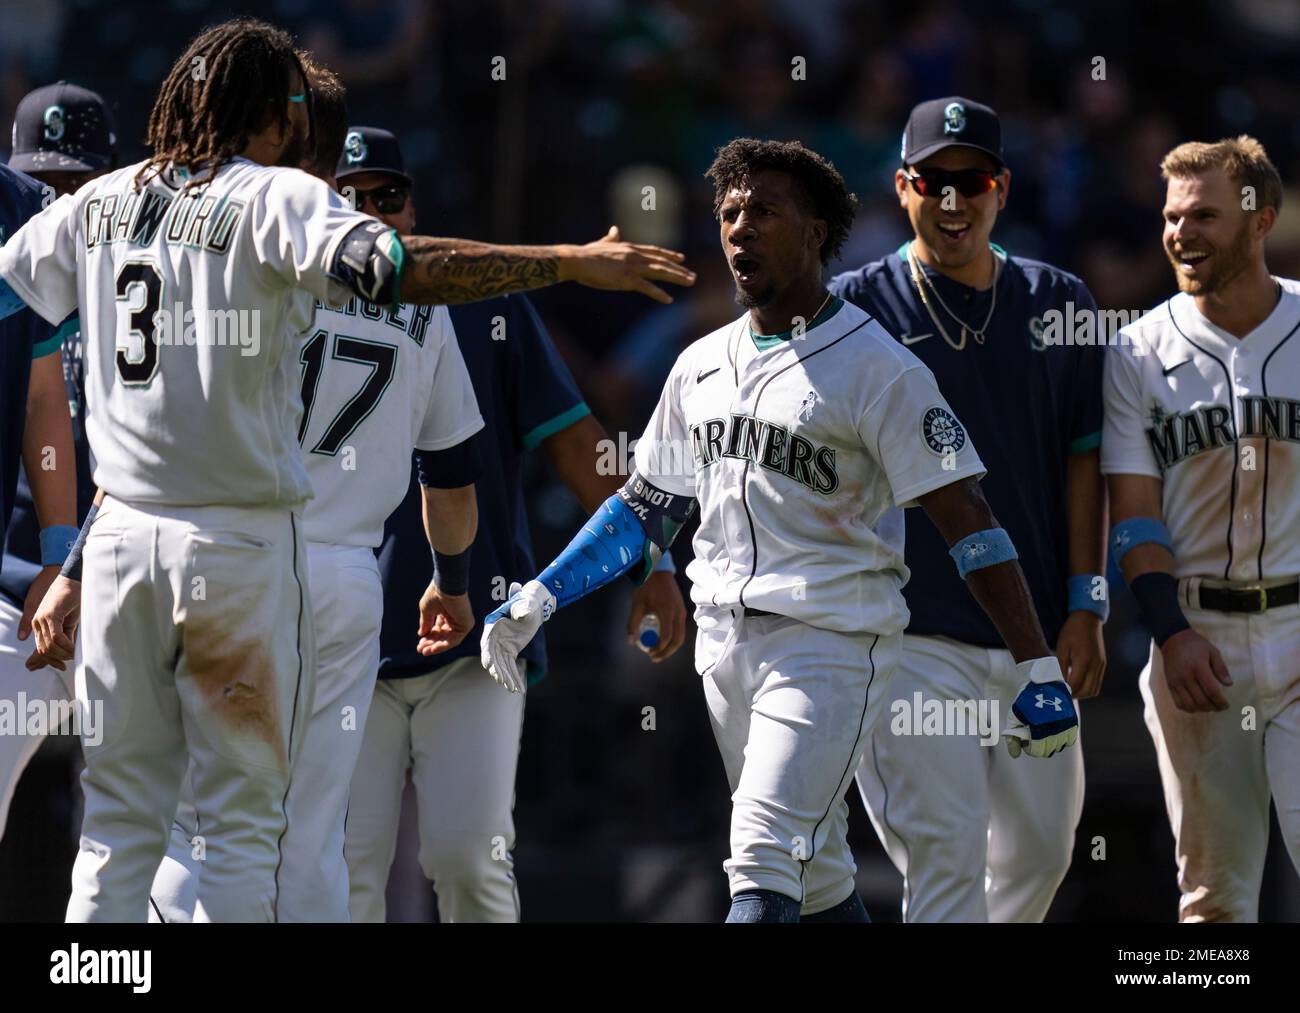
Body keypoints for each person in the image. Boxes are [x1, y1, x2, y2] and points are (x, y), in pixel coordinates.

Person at [0, 16, 693, 923]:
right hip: (241, 546)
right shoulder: (279, 199)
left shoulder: (99, 201)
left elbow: (14, 295)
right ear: (276, 112)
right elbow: (402, 270)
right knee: (255, 829)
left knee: (119, 827)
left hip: (122, 536)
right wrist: (564, 261)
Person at [479, 138, 1079, 923]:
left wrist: (1036, 664)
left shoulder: (880, 367)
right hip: (726, 649)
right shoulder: (698, 365)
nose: (740, 228)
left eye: (765, 211)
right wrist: (543, 594)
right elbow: (645, 508)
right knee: (821, 880)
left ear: (817, 229)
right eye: (729, 212)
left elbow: (970, 521)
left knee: (760, 857)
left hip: (832, 644)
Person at [336, 127, 688, 923]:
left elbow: (579, 447)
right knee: (345, 873)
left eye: (387, 196)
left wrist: (652, 560)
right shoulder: (285, 304)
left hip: (477, 637)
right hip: (340, 639)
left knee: (470, 861)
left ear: (414, 206)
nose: (369, 212)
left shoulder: (483, 304)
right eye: (348, 198)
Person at [829, 97, 1104, 922]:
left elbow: (1086, 460)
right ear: (902, 187)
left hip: (1034, 638)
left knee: (1043, 856)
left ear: (1003, 188)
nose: (953, 202)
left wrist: (1088, 605)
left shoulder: (1059, 298)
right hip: (910, 636)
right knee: (947, 854)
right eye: (932, 181)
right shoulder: (853, 308)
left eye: (971, 181)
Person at [1102, 135, 1300, 922]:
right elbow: (1134, 508)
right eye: (1172, 216)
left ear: (1260, 221)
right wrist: (1169, 630)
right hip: (1197, 637)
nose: (1181, 232)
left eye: (1205, 215)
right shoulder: (1137, 351)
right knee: (1214, 901)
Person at [0, 83, 105, 853]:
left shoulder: (152, 272)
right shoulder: (20, 244)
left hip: (135, 575)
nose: (60, 202)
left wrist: (67, 557)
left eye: (77, 185)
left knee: (145, 821)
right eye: (50, 183)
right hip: (17, 584)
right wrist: (47, 562)